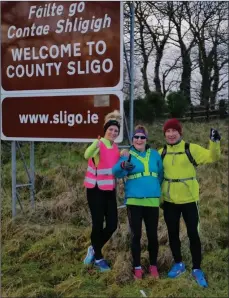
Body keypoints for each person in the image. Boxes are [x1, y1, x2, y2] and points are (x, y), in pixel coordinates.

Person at [159, 118, 221, 288]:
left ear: (180, 133)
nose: (171, 134)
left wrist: (214, 142)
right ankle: (178, 263)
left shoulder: (190, 149)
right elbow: (150, 171)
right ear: (164, 134)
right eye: (168, 132)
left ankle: (196, 268)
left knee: (193, 233)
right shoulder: (161, 152)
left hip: (189, 200)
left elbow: (212, 157)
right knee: (172, 233)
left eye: (174, 131)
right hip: (169, 201)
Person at [112, 125, 163, 280]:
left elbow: (160, 174)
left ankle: (153, 267)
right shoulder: (127, 154)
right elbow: (115, 171)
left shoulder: (155, 154)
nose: (139, 139)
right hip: (134, 201)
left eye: (142, 137)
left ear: (146, 139)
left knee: (153, 236)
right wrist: (123, 165)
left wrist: (153, 188)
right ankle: (137, 268)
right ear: (132, 139)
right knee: (136, 235)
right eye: (136, 137)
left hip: (152, 201)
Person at [83, 110, 122, 272]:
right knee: (98, 223)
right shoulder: (99, 144)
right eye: (110, 130)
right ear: (105, 130)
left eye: (116, 131)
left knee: (112, 224)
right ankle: (99, 258)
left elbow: (116, 168)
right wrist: (95, 143)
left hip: (109, 190)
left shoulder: (115, 147)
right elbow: (86, 155)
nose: (113, 133)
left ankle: (93, 247)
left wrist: (124, 156)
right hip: (95, 189)